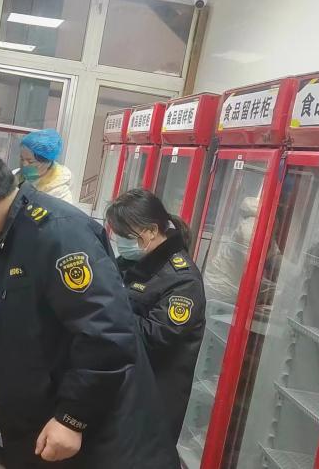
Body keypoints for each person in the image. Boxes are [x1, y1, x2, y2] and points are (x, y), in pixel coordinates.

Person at [0, 141, 173, 468]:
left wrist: (72, 418)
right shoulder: (11, 235)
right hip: (42, 424)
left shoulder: (58, 236)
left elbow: (107, 336)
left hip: (93, 440)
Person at [106, 188, 206, 459]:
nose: (119, 241)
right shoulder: (132, 262)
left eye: (125, 235)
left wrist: (105, 310)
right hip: (121, 391)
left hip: (151, 402)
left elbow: (153, 337)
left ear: (150, 231)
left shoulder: (183, 281)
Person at [16, 129, 74, 203]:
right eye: (22, 159)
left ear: (47, 162)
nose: (24, 164)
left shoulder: (60, 193)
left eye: (30, 162)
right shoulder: (17, 175)